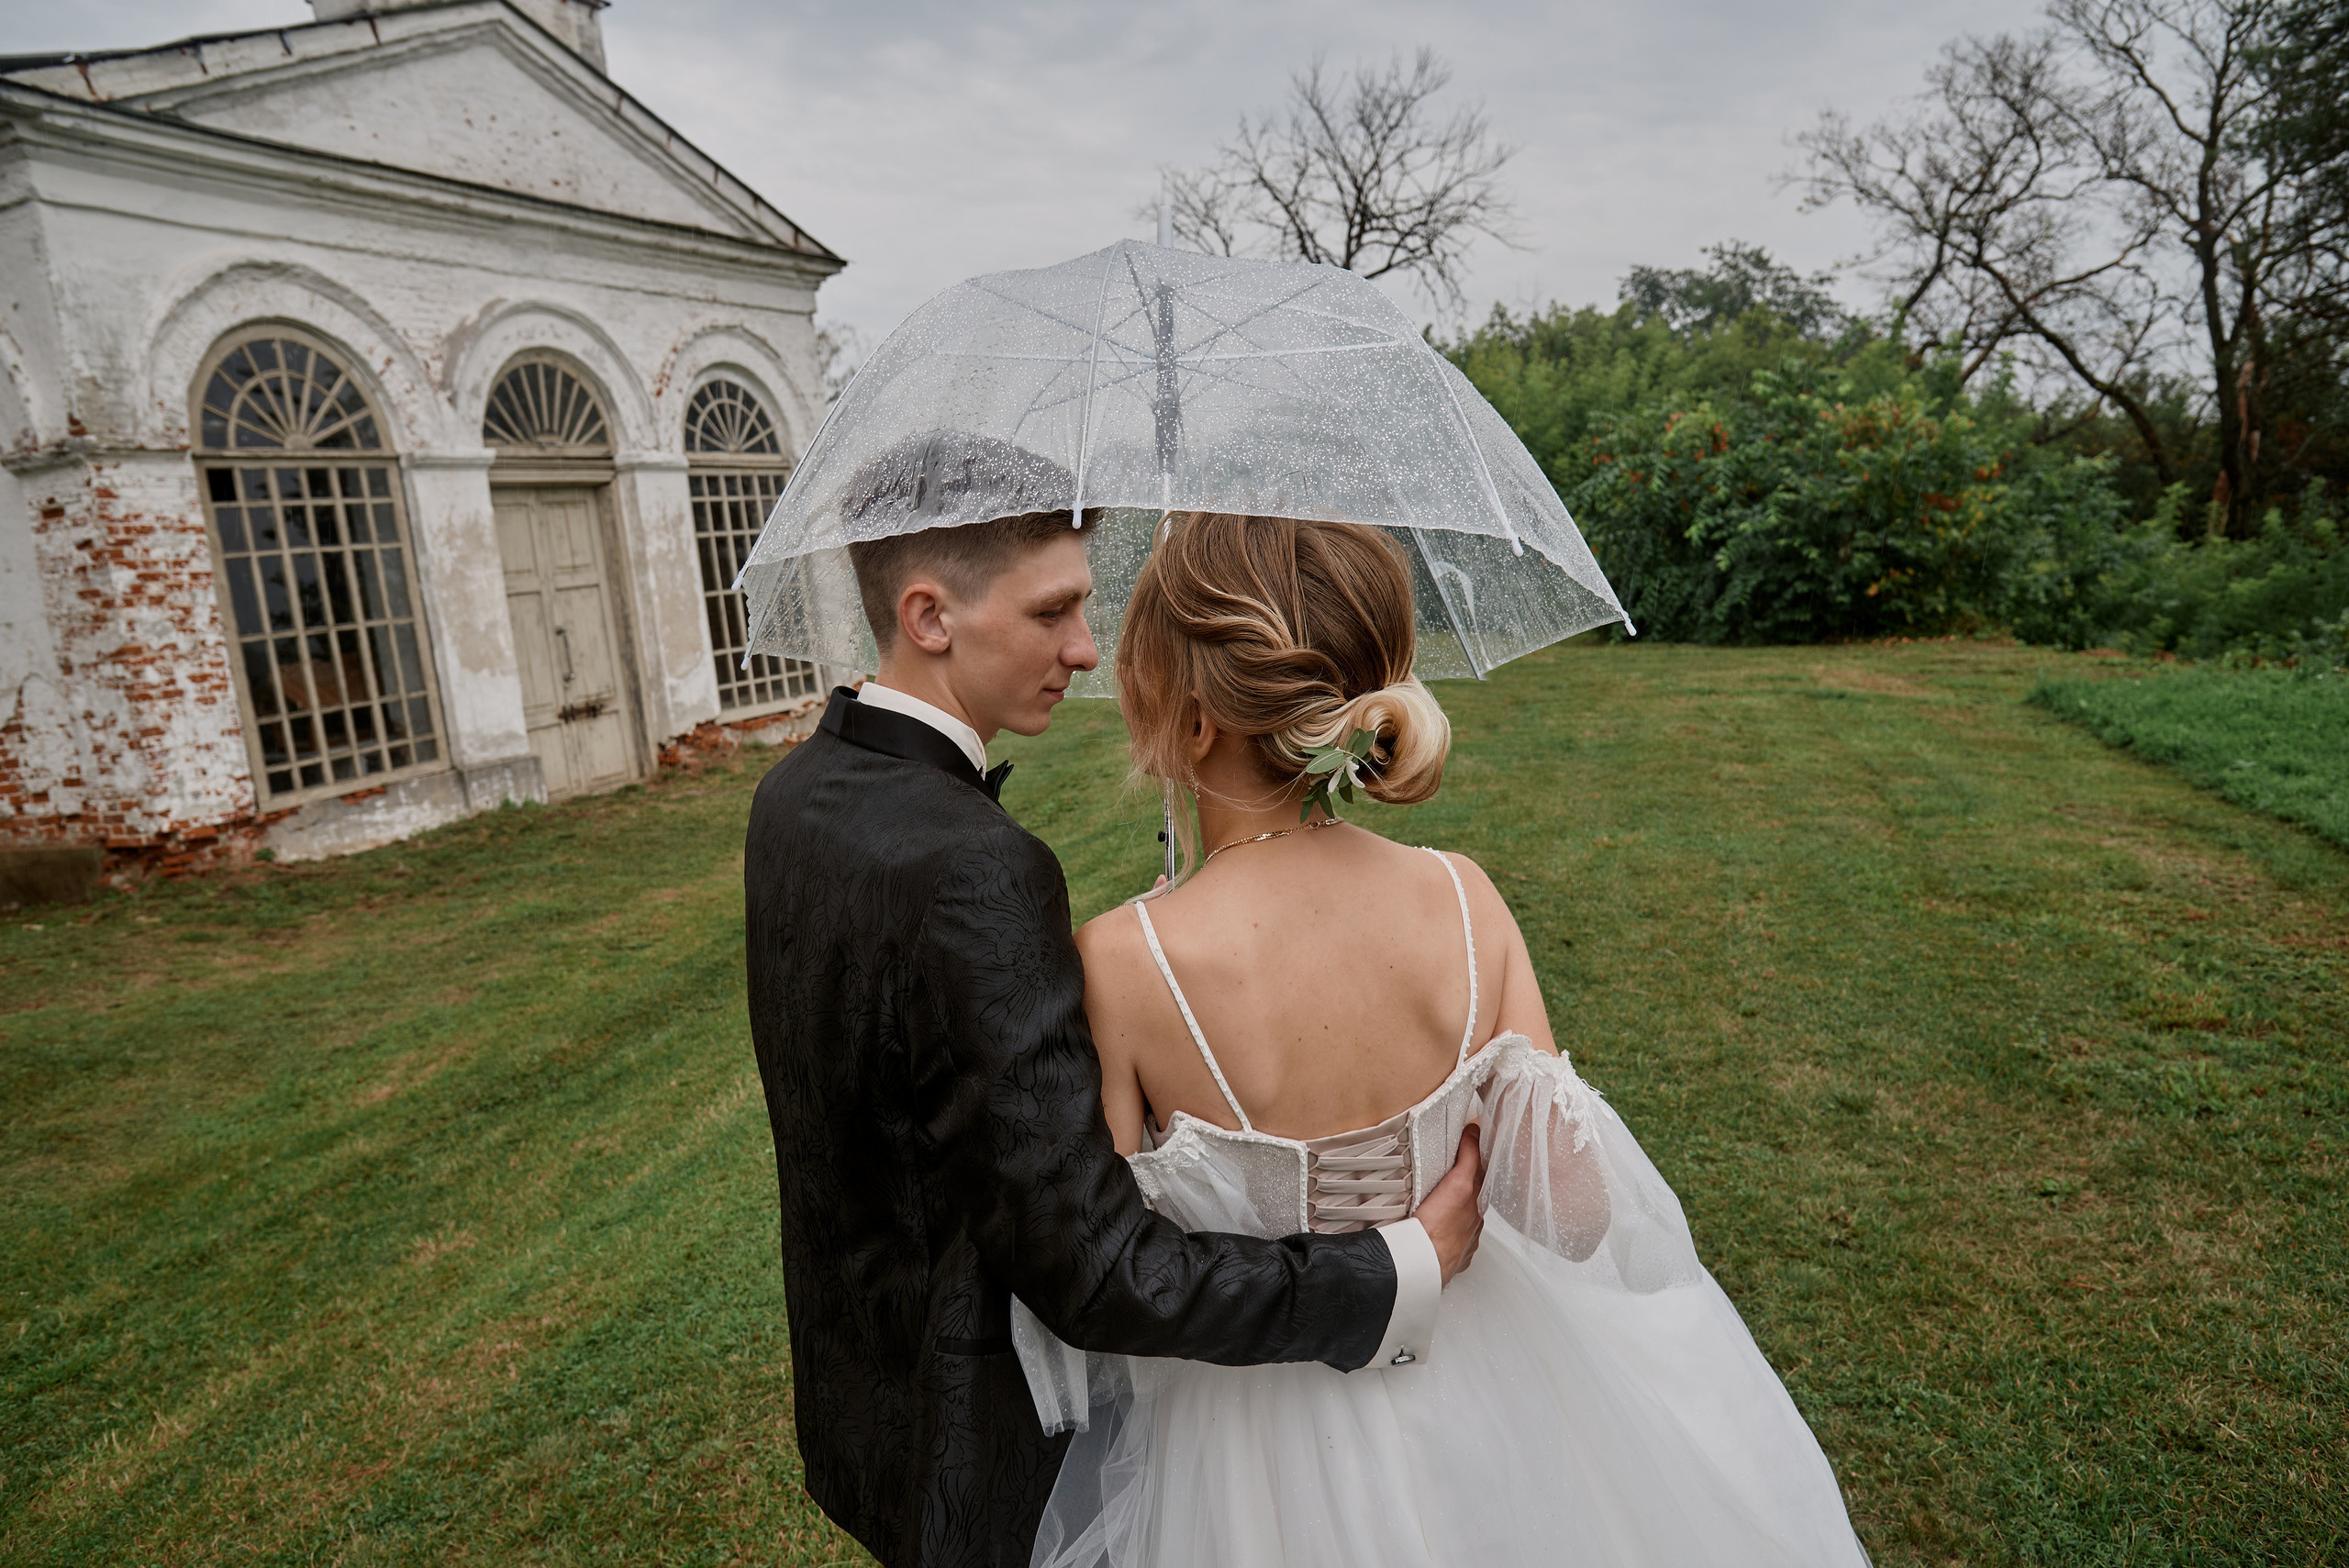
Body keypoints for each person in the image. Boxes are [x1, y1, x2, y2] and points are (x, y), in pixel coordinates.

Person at [1019, 512, 1876, 1568]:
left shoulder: (1122, 959)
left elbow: (1108, 1275)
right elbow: (1571, 1211)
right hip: (1486, 1389)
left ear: (1192, 719)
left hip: (1248, 1445)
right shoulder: (1460, 896)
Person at [741, 437, 1487, 1568]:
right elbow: (1093, 1268)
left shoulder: (796, 792)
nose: (1087, 651)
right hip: (984, 1455)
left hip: (864, 1406)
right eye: (1052, 612)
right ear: (929, 615)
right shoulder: (979, 868)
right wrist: (1389, 1269)